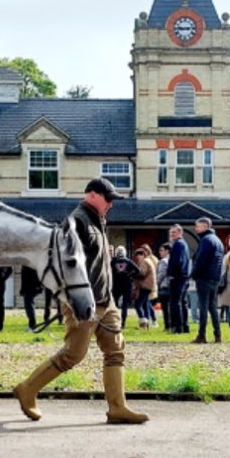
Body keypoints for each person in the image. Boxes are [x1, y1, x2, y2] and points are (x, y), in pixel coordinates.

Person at [14, 177, 149, 424]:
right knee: (73, 355)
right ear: (93, 195)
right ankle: (28, 389)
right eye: (108, 199)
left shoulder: (97, 221)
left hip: (105, 301)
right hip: (84, 304)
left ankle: (117, 408)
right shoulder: (76, 223)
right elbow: (63, 264)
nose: (111, 204)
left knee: (115, 350)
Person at [190, 217, 225, 344]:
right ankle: (218, 335)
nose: (196, 229)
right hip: (214, 277)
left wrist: (194, 274)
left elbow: (201, 260)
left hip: (204, 277)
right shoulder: (218, 241)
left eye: (197, 226)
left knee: (203, 307)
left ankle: (202, 335)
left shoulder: (205, 240)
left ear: (205, 226)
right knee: (213, 307)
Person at [166, 224, 191, 334]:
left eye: (174, 232)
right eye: (171, 233)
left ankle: (178, 327)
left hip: (177, 277)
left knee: (175, 303)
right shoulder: (184, 244)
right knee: (183, 302)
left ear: (180, 233)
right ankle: (185, 327)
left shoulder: (178, 245)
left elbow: (177, 261)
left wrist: (171, 273)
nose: (171, 235)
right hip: (184, 276)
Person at [110, 246, 143, 328]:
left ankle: (115, 321)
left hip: (116, 285)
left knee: (115, 305)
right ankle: (123, 323)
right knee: (125, 305)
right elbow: (138, 271)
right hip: (127, 285)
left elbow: (108, 270)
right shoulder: (128, 261)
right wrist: (130, 274)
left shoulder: (113, 261)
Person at [132, 247, 157, 329]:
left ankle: (143, 324)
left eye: (139, 255)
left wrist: (132, 274)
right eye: (136, 255)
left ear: (143, 255)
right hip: (149, 285)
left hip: (145, 285)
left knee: (138, 305)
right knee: (146, 304)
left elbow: (142, 273)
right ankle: (147, 323)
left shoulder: (144, 262)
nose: (137, 257)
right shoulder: (148, 260)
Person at [19, 265, 44, 332]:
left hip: (31, 287)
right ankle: (32, 324)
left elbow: (34, 275)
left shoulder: (31, 264)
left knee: (29, 306)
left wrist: (38, 286)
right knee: (28, 306)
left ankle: (33, 326)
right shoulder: (26, 265)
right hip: (28, 288)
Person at [156, 243, 172, 331]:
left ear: (167, 251)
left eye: (161, 250)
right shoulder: (172, 260)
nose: (159, 252)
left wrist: (156, 282)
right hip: (171, 286)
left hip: (165, 286)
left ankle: (167, 326)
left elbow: (161, 274)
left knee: (165, 308)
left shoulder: (164, 261)